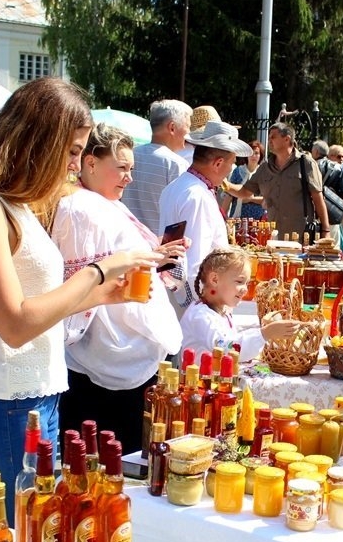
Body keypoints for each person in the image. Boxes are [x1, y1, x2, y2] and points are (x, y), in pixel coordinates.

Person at [0, 78, 159, 523]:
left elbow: (35, 307)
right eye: (71, 151)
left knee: (35, 538)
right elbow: (15, 325)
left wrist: (99, 295)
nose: (74, 165)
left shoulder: (13, 204)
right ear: (38, 141)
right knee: (17, 541)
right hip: (4, 403)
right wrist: (98, 270)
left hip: (35, 398)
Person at [51, 123, 186, 452]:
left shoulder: (104, 202)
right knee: (106, 456)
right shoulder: (79, 208)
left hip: (128, 348)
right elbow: (79, 283)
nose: (129, 178)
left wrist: (157, 256)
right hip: (106, 354)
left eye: (131, 169)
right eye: (122, 168)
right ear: (91, 163)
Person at [159, 120, 251, 315]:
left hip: (176, 298)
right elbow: (197, 264)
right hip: (192, 307)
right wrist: (208, 312)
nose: (231, 169)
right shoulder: (197, 196)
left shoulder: (177, 187)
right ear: (218, 163)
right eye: (232, 163)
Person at [180, 247, 300, 362]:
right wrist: (265, 333)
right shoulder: (200, 316)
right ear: (215, 279)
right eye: (239, 282)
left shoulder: (223, 312)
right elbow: (226, 348)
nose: (245, 289)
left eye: (247, 283)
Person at [226, 123, 330, 242]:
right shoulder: (265, 167)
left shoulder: (306, 163)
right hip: (273, 237)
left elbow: (318, 198)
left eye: (273, 137)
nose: (269, 141)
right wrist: (224, 184)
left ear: (287, 139)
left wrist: (326, 231)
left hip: (300, 237)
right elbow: (245, 191)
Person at [123, 99, 192, 232]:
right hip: (159, 242)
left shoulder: (130, 155)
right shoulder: (176, 164)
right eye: (188, 127)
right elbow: (180, 215)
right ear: (172, 127)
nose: (189, 133)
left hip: (127, 239)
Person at [312, 139, 343, 248]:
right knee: (333, 248)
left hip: (313, 213)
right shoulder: (338, 168)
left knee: (313, 247)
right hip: (331, 214)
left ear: (316, 152)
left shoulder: (311, 166)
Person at [223, 139, 265, 219]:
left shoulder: (263, 173)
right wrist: (223, 215)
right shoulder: (237, 171)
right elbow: (229, 195)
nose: (253, 156)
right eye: (251, 153)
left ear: (260, 156)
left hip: (258, 219)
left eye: (256, 153)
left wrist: (251, 199)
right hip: (237, 218)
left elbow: (268, 199)